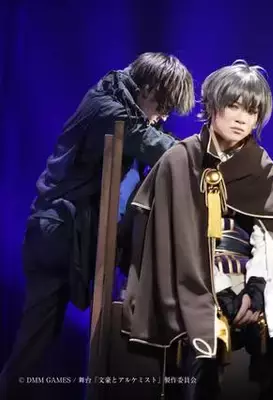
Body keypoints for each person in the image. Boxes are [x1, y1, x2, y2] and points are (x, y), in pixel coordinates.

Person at [0, 52, 195, 399]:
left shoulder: (126, 106)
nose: (164, 115)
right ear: (148, 88)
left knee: (40, 341)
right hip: (57, 233)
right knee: (35, 344)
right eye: (164, 105)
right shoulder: (108, 109)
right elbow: (154, 145)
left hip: (72, 231)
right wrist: (202, 157)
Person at [120, 59, 273, 400]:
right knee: (202, 347)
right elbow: (177, 241)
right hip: (190, 280)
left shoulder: (262, 165)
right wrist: (220, 291)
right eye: (233, 106)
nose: (242, 118)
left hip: (251, 277)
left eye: (251, 111)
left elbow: (269, 238)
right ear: (211, 106)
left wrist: (255, 288)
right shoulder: (180, 160)